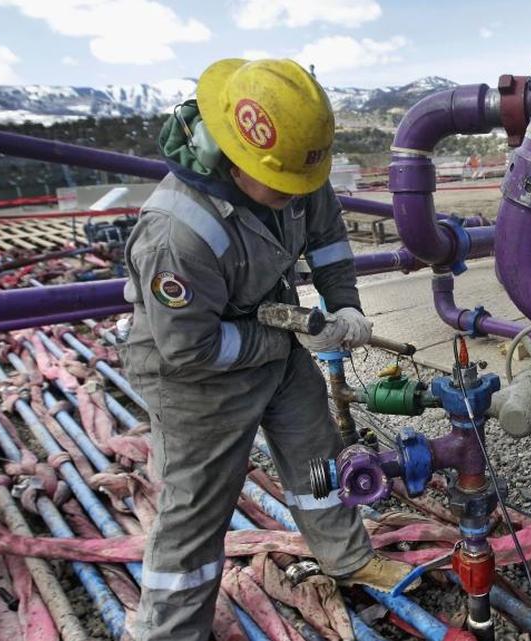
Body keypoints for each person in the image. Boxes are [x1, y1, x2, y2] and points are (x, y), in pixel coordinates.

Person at [122, 58, 414, 641]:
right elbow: (191, 347)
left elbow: (328, 239)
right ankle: (168, 631)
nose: (295, 195)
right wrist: (286, 333)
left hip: (274, 344)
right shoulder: (177, 234)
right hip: (195, 375)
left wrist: (344, 304)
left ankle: (346, 557)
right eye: (282, 185)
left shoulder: (295, 170)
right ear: (233, 159)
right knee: (196, 510)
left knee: (317, 458)